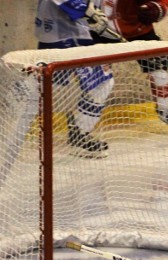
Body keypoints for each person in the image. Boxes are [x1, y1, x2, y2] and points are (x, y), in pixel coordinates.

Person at [35, 0, 120, 158]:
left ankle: (79, 134)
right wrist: (89, 10)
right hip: (66, 36)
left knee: (42, 91)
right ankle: (80, 135)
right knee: (102, 83)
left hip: (68, 34)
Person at [94, 0, 168, 130]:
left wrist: (158, 9)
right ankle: (82, 126)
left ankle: (165, 110)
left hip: (138, 31)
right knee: (97, 80)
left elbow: (164, 4)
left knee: (161, 74)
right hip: (100, 32)